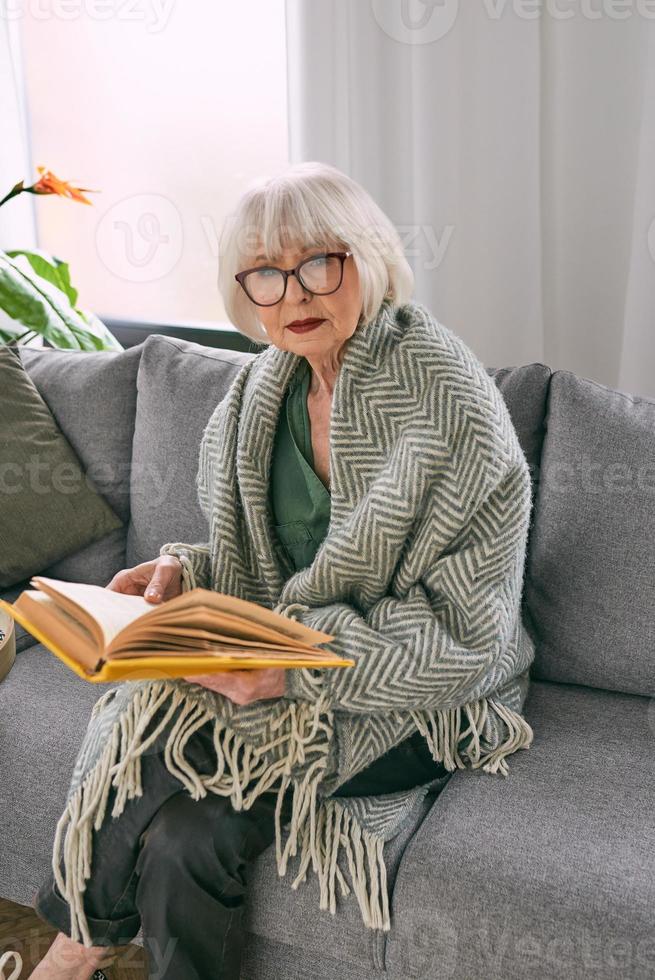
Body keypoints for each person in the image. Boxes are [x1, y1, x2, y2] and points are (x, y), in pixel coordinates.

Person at [23, 161, 534, 979]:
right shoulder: (261, 392)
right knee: (189, 836)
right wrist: (181, 575)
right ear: (243, 292)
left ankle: (69, 954)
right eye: (265, 272)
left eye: (318, 263)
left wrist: (296, 671)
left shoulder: (448, 405)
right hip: (282, 664)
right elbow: (253, 562)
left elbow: (464, 638)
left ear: (367, 260)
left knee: (155, 745)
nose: (293, 294)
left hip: (422, 696)